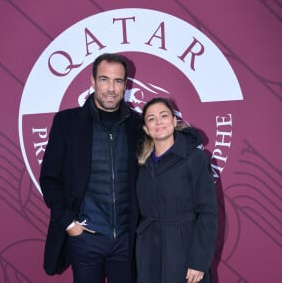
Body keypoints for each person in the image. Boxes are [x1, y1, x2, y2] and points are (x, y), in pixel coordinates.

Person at [39, 53, 142, 283]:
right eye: (104, 79)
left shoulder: (137, 124)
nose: (111, 88)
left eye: (118, 81)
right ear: (93, 81)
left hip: (126, 241)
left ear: (125, 84)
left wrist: (185, 132)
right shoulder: (67, 122)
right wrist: (68, 222)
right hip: (85, 239)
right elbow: (49, 178)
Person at [135, 97, 218, 283]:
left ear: (174, 121)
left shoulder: (195, 158)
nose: (158, 122)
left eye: (164, 116)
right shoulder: (142, 165)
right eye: (151, 118)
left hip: (183, 248)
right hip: (149, 250)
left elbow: (208, 212)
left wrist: (199, 260)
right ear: (146, 129)